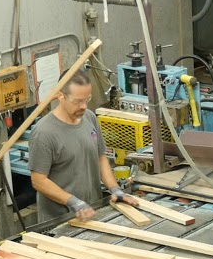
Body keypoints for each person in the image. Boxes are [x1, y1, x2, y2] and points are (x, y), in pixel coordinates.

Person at [28, 75, 137, 224]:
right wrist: (73, 202)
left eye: (87, 99)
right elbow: (38, 181)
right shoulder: (44, 133)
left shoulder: (89, 118)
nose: (84, 106)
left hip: (92, 212)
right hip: (61, 220)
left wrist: (115, 189)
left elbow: (100, 157)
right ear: (60, 96)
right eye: (77, 101)